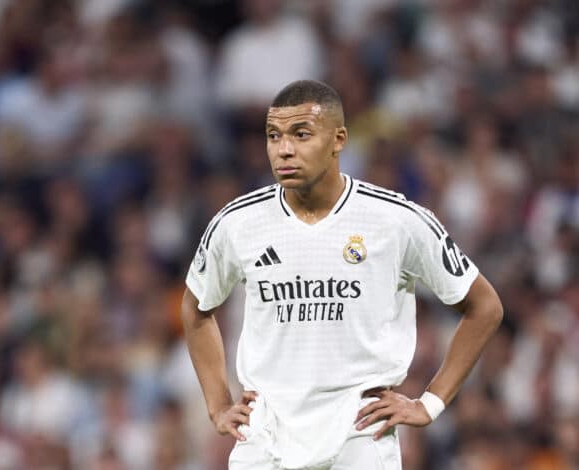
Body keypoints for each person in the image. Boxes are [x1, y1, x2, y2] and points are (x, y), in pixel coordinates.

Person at [181, 80, 503, 469]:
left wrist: (430, 403)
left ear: (338, 140)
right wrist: (218, 406)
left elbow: (484, 306)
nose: (284, 149)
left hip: (359, 434)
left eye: (301, 134)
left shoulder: (395, 221)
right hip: (266, 435)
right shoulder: (237, 223)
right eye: (273, 136)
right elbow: (196, 307)